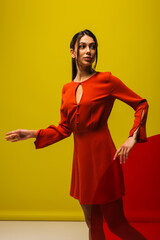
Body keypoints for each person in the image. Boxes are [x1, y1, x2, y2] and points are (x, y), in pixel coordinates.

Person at [5, 29, 149, 240]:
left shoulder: (107, 80)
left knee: (116, 224)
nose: (88, 51)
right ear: (73, 52)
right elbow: (65, 128)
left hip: (104, 160)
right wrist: (32, 133)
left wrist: (133, 136)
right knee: (92, 225)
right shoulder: (66, 89)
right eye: (82, 46)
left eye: (92, 46)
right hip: (82, 164)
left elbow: (141, 104)